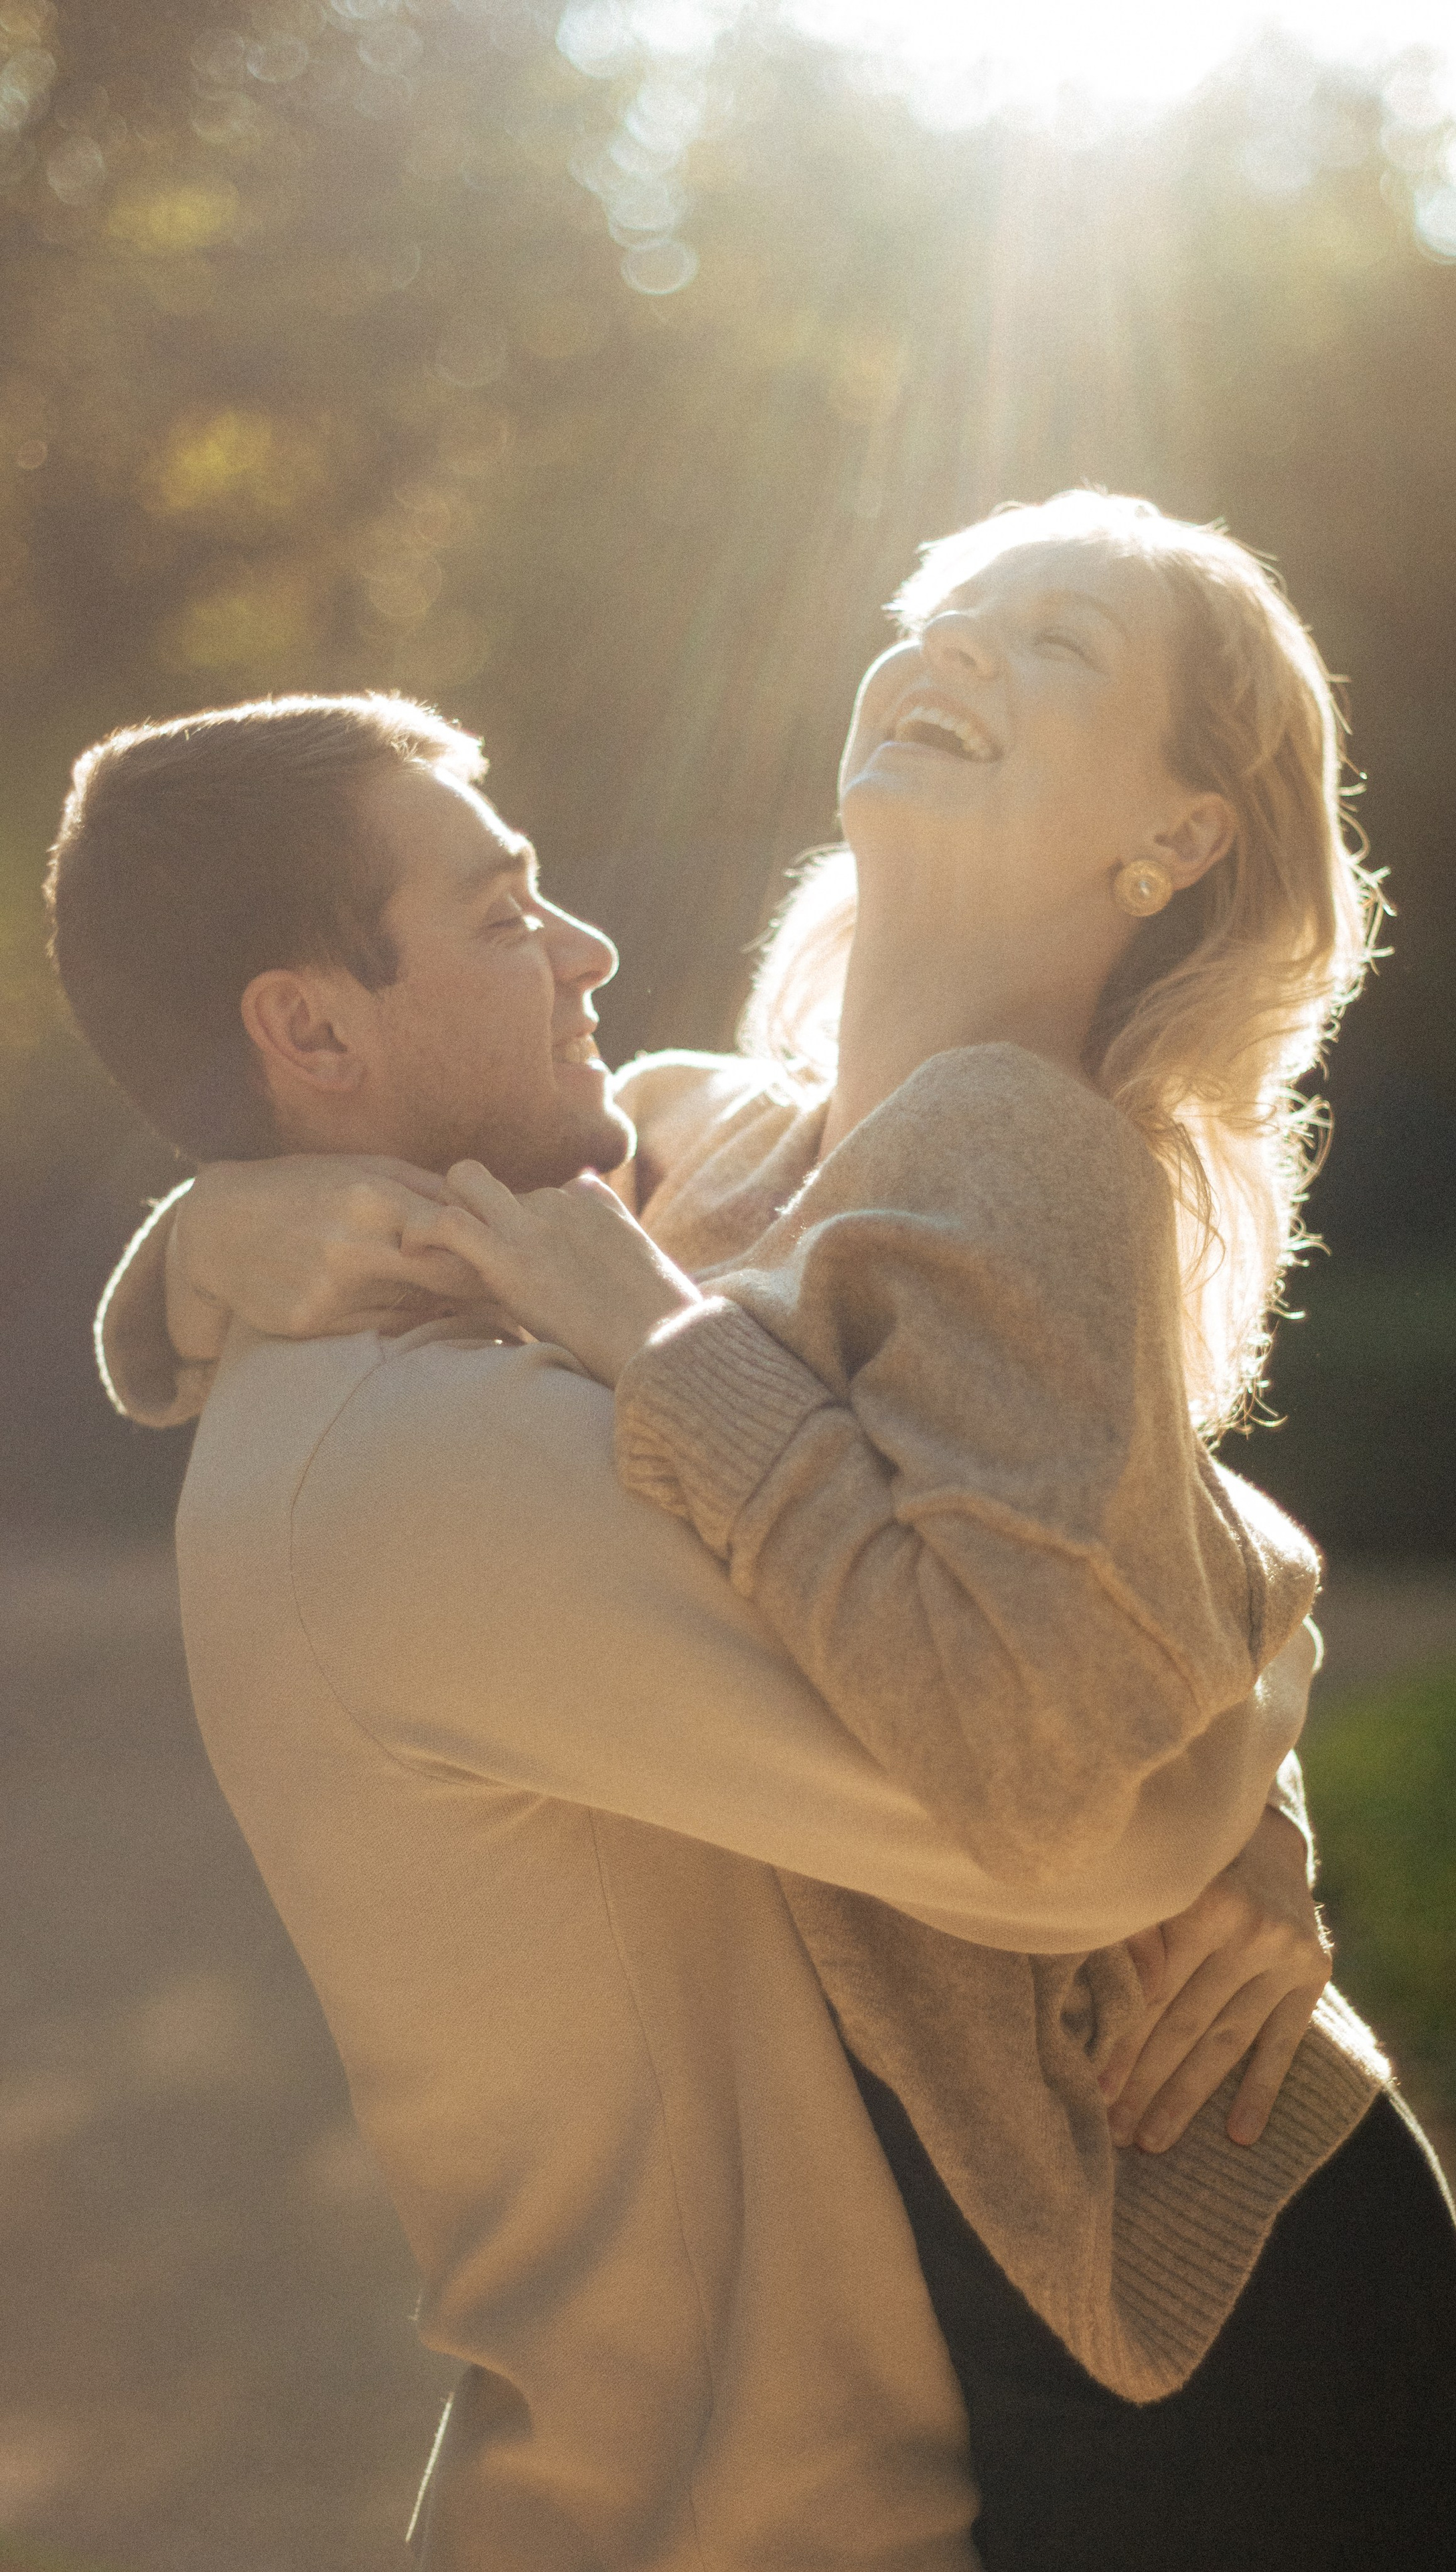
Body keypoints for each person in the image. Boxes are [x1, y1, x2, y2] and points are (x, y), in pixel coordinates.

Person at [52, 688, 1336, 2567]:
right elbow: (1074, 1815)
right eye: (500, 916)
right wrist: (1272, 1727)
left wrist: (206, 1233)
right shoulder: (441, 1456)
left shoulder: (493, 1300)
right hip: (750, 2514)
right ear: (309, 1026)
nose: (588, 951)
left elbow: (1039, 1510)